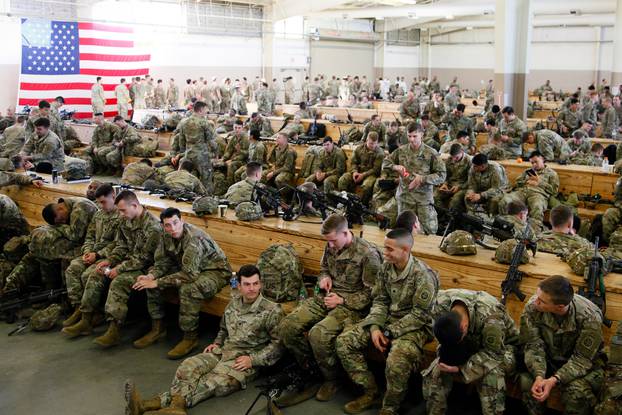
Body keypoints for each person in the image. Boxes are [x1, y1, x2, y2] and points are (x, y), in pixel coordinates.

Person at [124, 264, 283, 415]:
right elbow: (223, 329)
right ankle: (172, 407)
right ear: (239, 286)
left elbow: (278, 345)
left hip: (243, 361)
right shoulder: (233, 304)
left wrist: (252, 360)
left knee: (211, 382)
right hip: (222, 352)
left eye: (256, 284)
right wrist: (217, 343)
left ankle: (149, 405)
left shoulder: (271, 310)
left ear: (260, 284)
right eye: (247, 284)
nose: (252, 289)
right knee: (188, 367)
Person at [278, 214, 382, 404]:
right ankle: (313, 370)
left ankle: (332, 379)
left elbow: (373, 294)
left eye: (333, 240)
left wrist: (342, 300)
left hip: (350, 306)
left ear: (345, 232)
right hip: (325, 297)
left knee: (318, 334)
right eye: (328, 241)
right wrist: (323, 278)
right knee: (287, 326)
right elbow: (324, 268)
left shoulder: (368, 254)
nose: (331, 245)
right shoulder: (332, 244)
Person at [336, 228, 439, 415]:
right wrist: (375, 327)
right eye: (385, 248)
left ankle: (390, 406)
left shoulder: (423, 275)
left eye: (390, 249)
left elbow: (420, 315)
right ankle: (370, 391)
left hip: (415, 326)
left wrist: (389, 332)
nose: (385, 253)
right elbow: (380, 300)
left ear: (405, 249)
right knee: (345, 342)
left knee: (397, 360)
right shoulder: (385, 267)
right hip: (387, 319)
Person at [132, 208, 232, 359]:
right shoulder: (165, 235)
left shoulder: (194, 238)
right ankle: (157, 328)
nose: (172, 228)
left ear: (181, 221)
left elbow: (189, 275)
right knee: (149, 282)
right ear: (162, 226)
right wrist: (151, 275)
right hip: (188, 268)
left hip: (216, 271)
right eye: (167, 225)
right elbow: (163, 261)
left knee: (188, 289)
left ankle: (190, 338)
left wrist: (158, 282)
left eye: (175, 223)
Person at [422, 289, 519, 415]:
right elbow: (441, 336)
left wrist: (461, 369)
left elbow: (494, 353)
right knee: (437, 371)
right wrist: (445, 358)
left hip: (503, 347)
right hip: (470, 343)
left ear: (464, 327)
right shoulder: (440, 303)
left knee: (491, 376)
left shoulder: (491, 315)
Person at [519, 275, 606, 414]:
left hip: (584, 365)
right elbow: (533, 345)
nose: (535, 302)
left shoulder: (589, 317)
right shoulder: (533, 307)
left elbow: (582, 360)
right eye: (537, 296)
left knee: (576, 392)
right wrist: (539, 376)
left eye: (541, 301)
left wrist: (554, 380)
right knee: (528, 382)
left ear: (559, 307)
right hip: (549, 359)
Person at [91, 190, 162, 349]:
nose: (121, 214)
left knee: (119, 281)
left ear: (135, 205)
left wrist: (120, 268)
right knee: (98, 272)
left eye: (123, 210)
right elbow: (121, 246)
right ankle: (91, 315)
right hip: (131, 262)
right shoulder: (126, 220)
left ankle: (114, 329)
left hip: (151, 267)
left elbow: (145, 258)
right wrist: (110, 260)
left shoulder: (153, 227)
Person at [2, 196, 97, 294]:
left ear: (60, 209)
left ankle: (55, 293)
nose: (64, 222)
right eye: (60, 222)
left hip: (90, 244)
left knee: (43, 250)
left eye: (61, 220)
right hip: (78, 240)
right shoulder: (66, 206)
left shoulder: (80, 207)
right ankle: (10, 287)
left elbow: (75, 235)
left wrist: (59, 226)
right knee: (35, 251)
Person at [61, 184, 120, 330]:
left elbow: (118, 244)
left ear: (113, 196)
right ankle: (78, 308)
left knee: (89, 275)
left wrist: (98, 254)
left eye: (103, 202)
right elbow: (90, 236)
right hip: (93, 254)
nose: (101, 205)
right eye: (99, 202)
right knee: (73, 268)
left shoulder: (121, 215)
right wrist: (87, 251)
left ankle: (91, 314)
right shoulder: (98, 214)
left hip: (110, 256)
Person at [383, 122, 446, 234]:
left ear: (422, 134)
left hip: (423, 200)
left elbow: (442, 175)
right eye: (409, 136)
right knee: (403, 231)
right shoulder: (401, 151)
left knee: (428, 231)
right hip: (405, 198)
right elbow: (385, 163)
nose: (411, 139)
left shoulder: (431, 153)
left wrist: (422, 179)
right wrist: (395, 166)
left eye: (414, 136)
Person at [499, 151, 559, 226]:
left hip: (538, 194)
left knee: (537, 207)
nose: (534, 165)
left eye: (536, 162)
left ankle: (535, 230)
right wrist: (526, 181)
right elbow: (517, 183)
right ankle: (505, 224)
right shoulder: (527, 171)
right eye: (532, 163)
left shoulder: (552, 173)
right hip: (522, 192)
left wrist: (539, 182)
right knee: (505, 201)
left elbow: (554, 192)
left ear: (542, 159)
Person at [177, 101, 218, 193]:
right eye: (206, 110)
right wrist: (216, 153)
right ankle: (206, 200)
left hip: (188, 155)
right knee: (206, 180)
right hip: (202, 156)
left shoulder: (184, 122)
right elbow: (211, 141)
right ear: (201, 110)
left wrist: (183, 153)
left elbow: (181, 141)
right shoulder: (204, 123)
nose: (206, 112)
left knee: (189, 178)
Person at [435, 143, 471, 212]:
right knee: (436, 196)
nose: (454, 159)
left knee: (455, 201)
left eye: (456, 157)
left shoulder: (469, 161)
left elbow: (471, 180)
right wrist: (445, 184)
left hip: (463, 187)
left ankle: (452, 218)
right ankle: (442, 216)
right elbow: (446, 174)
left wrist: (459, 187)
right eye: (452, 157)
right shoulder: (449, 159)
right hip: (450, 185)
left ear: (462, 152)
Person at [219, 120, 249, 185]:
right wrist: (224, 158)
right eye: (235, 128)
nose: (237, 130)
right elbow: (229, 150)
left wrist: (232, 160)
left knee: (231, 165)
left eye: (239, 128)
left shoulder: (245, 138)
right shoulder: (233, 138)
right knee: (218, 164)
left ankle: (230, 185)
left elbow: (246, 154)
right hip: (235, 159)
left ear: (242, 128)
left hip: (244, 161)